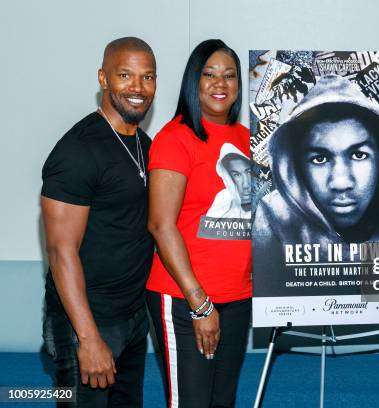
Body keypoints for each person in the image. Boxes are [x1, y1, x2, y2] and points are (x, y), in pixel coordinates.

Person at [41, 37, 157, 406]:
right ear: (103, 79)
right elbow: (61, 252)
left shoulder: (144, 143)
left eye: (147, 77)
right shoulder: (77, 151)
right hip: (86, 322)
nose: (138, 88)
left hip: (133, 315)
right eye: (125, 75)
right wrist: (88, 339)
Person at [252, 74, 379, 295]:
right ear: (295, 165)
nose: (340, 182)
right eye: (319, 159)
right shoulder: (272, 219)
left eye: (358, 155)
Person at [145, 39, 251, 408]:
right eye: (209, 74)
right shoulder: (175, 138)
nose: (220, 83)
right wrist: (200, 304)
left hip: (239, 297)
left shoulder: (248, 139)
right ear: (194, 80)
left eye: (229, 76)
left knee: (222, 401)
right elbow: (161, 225)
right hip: (186, 299)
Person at [206, 143, 253, 219]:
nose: (245, 185)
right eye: (237, 175)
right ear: (229, 178)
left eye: (249, 172)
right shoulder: (223, 198)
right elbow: (207, 230)